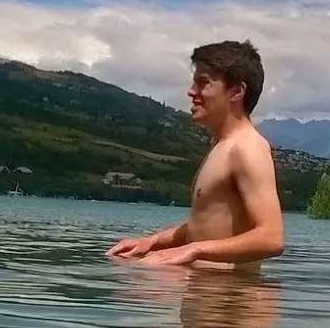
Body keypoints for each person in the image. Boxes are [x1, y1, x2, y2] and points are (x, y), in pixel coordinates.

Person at [107, 39, 284, 269]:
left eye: (203, 83)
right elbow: (206, 224)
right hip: (208, 294)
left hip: (230, 301)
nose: (191, 92)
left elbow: (271, 238)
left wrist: (193, 250)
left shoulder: (247, 148)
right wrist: (152, 242)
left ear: (237, 91)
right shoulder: (222, 146)